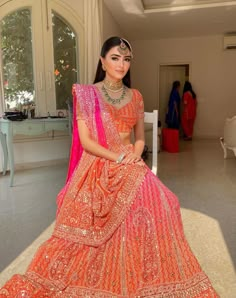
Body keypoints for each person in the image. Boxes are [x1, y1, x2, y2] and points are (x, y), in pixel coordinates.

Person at [0, 37, 218, 297]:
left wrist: (135, 156)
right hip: (98, 162)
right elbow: (86, 141)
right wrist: (116, 159)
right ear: (103, 62)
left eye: (126, 59)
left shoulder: (135, 96)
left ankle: (143, 267)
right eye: (115, 58)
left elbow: (139, 138)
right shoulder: (87, 94)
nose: (121, 64)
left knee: (166, 201)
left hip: (129, 160)